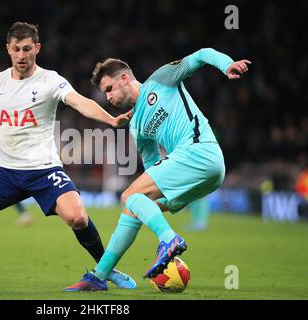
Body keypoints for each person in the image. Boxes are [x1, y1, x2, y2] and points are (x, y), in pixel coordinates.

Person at [0, 22, 136, 289]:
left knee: (78, 218)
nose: (21, 55)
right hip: (7, 171)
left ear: (37, 48)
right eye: (16, 49)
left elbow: (79, 102)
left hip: (45, 170)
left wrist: (110, 120)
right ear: (8, 49)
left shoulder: (50, 80)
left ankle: (106, 270)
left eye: (27, 48)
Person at [66, 48, 251, 291]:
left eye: (109, 89)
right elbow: (153, 166)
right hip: (205, 171)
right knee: (133, 207)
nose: (107, 97)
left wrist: (226, 65)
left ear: (124, 79)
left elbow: (201, 55)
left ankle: (169, 239)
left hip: (200, 151)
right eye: (104, 94)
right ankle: (100, 275)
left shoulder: (161, 79)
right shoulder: (136, 126)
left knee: (130, 195)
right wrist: (150, 204)